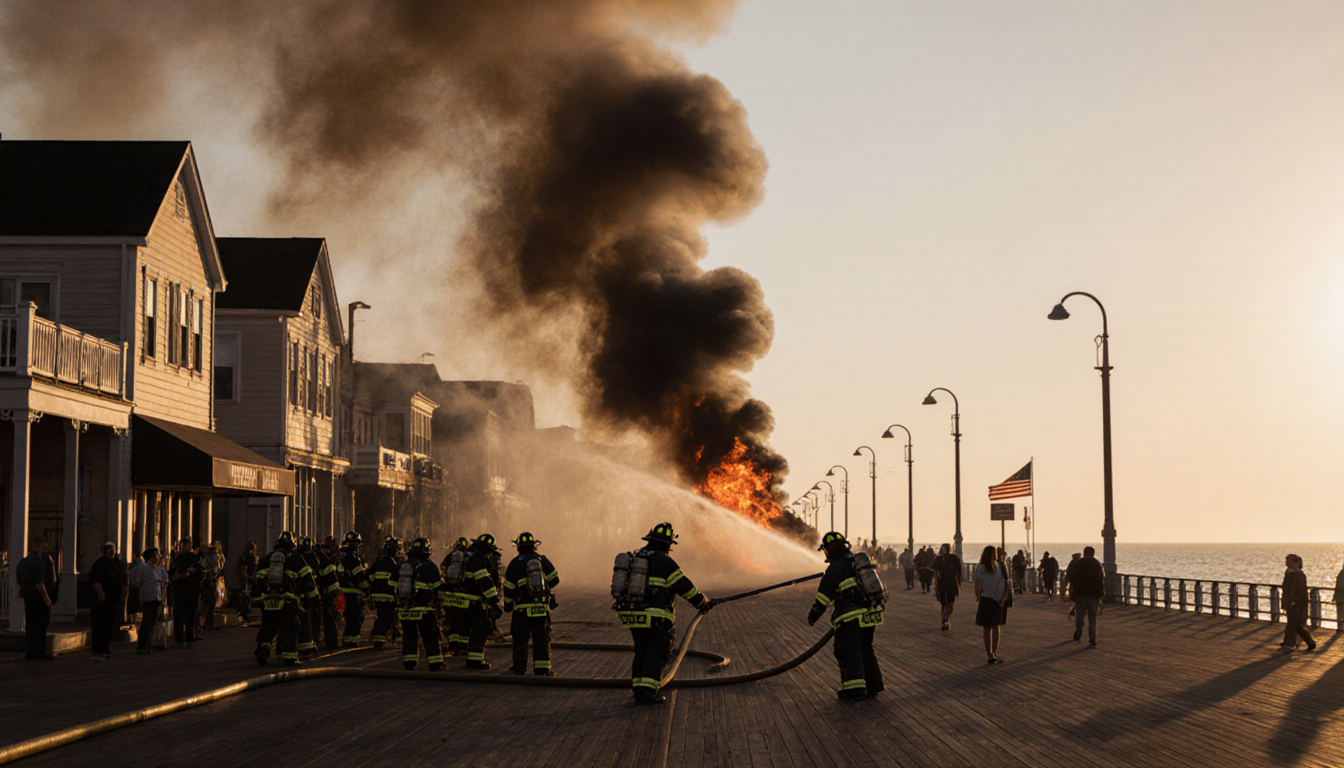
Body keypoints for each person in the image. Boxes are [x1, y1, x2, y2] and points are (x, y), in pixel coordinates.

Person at [614, 522, 712, 705]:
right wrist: (702, 603)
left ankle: (639, 691)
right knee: (657, 652)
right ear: (668, 545)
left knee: (641, 652)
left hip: (633, 616)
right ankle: (649, 693)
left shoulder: (635, 558)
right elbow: (685, 587)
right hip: (655, 618)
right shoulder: (664, 562)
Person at [808, 531, 884, 700]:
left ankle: (854, 689)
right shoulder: (855, 561)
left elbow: (823, 598)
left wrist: (813, 615)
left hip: (850, 617)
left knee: (848, 651)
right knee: (865, 649)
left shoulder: (835, 567)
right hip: (869, 614)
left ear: (829, 549)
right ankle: (874, 685)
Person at [503, 532, 560, 676]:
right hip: (540, 608)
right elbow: (555, 580)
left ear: (519, 547)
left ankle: (519, 667)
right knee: (541, 638)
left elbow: (509, 588)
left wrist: (508, 605)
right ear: (534, 546)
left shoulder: (515, 563)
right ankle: (542, 669)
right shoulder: (542, 560)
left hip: (521, 610)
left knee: (520, 639)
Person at [253, 531, 314, 666]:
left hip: (268, 600)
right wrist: (314, 599)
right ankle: (289, 656)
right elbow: (308, 581)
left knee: (267, 627)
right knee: (289, 629)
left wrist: (257, 600)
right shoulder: (296, 559)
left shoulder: (265, 560)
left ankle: (262, 651)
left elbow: (256, 582)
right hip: (287, 601)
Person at [396, 537, 445, 670]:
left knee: (409, 636)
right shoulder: (430, 566)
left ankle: (409, 662)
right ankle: (435, 664)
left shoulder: (404, 565)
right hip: (425, 609)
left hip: (407, 609)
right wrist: (439, 603)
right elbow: (438, 589)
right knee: (430, 636)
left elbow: (394, 585)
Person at [461, 534, 505, 670]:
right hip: (477, 602)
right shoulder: (479, 559)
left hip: (470, 601)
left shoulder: (472, 557)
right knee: (479, 631)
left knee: (475, 631)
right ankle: (475, 661)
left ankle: (472, 659)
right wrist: (494, 602)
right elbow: (484, 582)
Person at [16, 536, 54, 660]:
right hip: (37, 597)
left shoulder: (23, 562)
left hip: (27, 595)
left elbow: (19, 580)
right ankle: (39, 650)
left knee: (31, 624)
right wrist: (46, 596)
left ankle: (30, 650)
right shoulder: (38, 562)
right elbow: (39, 583)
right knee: (40, 624)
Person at [89, 542, 126, 660]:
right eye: (110, 550)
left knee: (109, 625)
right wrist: (100, 591)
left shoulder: (116, 564)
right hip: (101, 600)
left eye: (113, 550)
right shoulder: (99, 564)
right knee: (100, 625)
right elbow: (95, 579)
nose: (112, 553)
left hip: (113, 599)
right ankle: (97, 650)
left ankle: (106, 648)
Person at [973, 545, 1010, 664]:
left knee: (986, 628)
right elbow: (1004, 582)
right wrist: (1003, 598)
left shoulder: (981, 567)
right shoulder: (999, 566)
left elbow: (978, 584)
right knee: (996, 627)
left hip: (985, 599)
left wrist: (978, 595)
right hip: (998, 599)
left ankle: (989, 654)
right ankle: (994, 652)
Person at [336, 532, 370, 647]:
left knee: (347, 618)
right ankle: (352, 641)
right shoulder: (352, 557)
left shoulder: (340, 555)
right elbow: (358, 575)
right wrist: (366, 587)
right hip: (352, 592)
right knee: (354, 618)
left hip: (341, 591)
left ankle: (347, 639)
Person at [440, 536, 473, 657]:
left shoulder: (450, 557)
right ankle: (463, 647)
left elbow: (442, 569)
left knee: (452, 620)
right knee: (464, 621)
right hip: (463, 594)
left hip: (450, 595)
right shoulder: (468, 557)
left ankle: (453, 646)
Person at [368, 536, 402, 650]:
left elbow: (369, 573)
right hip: (389, 594)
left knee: (381, 615)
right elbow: (399, 578)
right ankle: (380, 638)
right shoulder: (394, 562)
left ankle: (379, 638)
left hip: (377, 594)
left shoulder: (379, 559)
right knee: (388, 617)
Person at [170, 539, 203, 649]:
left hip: (181, 590)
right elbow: (202, 572)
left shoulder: (178, 559)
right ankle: (189, 636)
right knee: (191, 615)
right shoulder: (196, 558)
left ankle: (179, 638)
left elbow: (172, 573)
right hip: (192, 590)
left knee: (179, 614)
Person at [1280, 553, 1317, 652]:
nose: (1286, 562)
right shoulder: (1289, 573)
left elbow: (1300, 592)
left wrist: (1296, 604)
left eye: (1287, 560)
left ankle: (1289, 643)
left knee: (1292, 625)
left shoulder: (1298, 574)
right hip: (1290, 603)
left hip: (1295, 604)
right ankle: (1309, 641)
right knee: (1295, 625)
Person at [1070, 546, 1105, 646]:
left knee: (1080, 614)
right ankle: (1092, 638)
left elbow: (1073, 580)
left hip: (1080, 593)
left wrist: (1073, 595)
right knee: (1092, 616)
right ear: (1093, 553)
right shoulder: (1096, 564)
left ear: (1084, 553)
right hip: (1092, 594)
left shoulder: (1078, 563)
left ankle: (1079, 629)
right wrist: (1101, 594)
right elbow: (1100, 580)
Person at [136, 548, 168, 654]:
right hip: (149, 597)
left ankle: (150, 643)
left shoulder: (157, 568)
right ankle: (142, 644)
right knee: (147, 621)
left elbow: (165, 578)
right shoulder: (145, 568)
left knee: (153, 622)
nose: (158, 557)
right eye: (156, 555)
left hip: (156, 597)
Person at [932, 543, 962, 631]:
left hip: (952, 584)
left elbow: (959, 571)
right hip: (942, 584)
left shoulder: (954, 558)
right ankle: (945, 620)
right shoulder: (938, 559)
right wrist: (935, 582)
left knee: (950, 603)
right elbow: (935, 571)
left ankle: (946, 618)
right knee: (944, 603)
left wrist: (959, 583)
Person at [200, 541, 223, 634]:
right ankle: (205, 623)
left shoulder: (208, 558)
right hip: (206, 584)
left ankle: (209, 623)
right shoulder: (203, 558)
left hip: (211, 583)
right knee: (207, 603)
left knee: (211, 602)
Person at [236, 541, 258, 627]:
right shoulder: (249, 556)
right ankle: (244, 616)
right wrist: (246, 581)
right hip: (248, 580)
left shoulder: (248, 556)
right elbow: (244, 569)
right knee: (245, 598)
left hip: (249, 580)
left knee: (247, 598)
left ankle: (245, 615)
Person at [1062, 552, 1082, 618]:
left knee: (1075, 597)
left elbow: (1068, 574)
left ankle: (1074, 609)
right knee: (1076, 597)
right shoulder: (1077, 563)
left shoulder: (1072, 563)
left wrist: (1065, 585)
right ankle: (1074, 609)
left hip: (1073, 583)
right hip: (1076, 583)